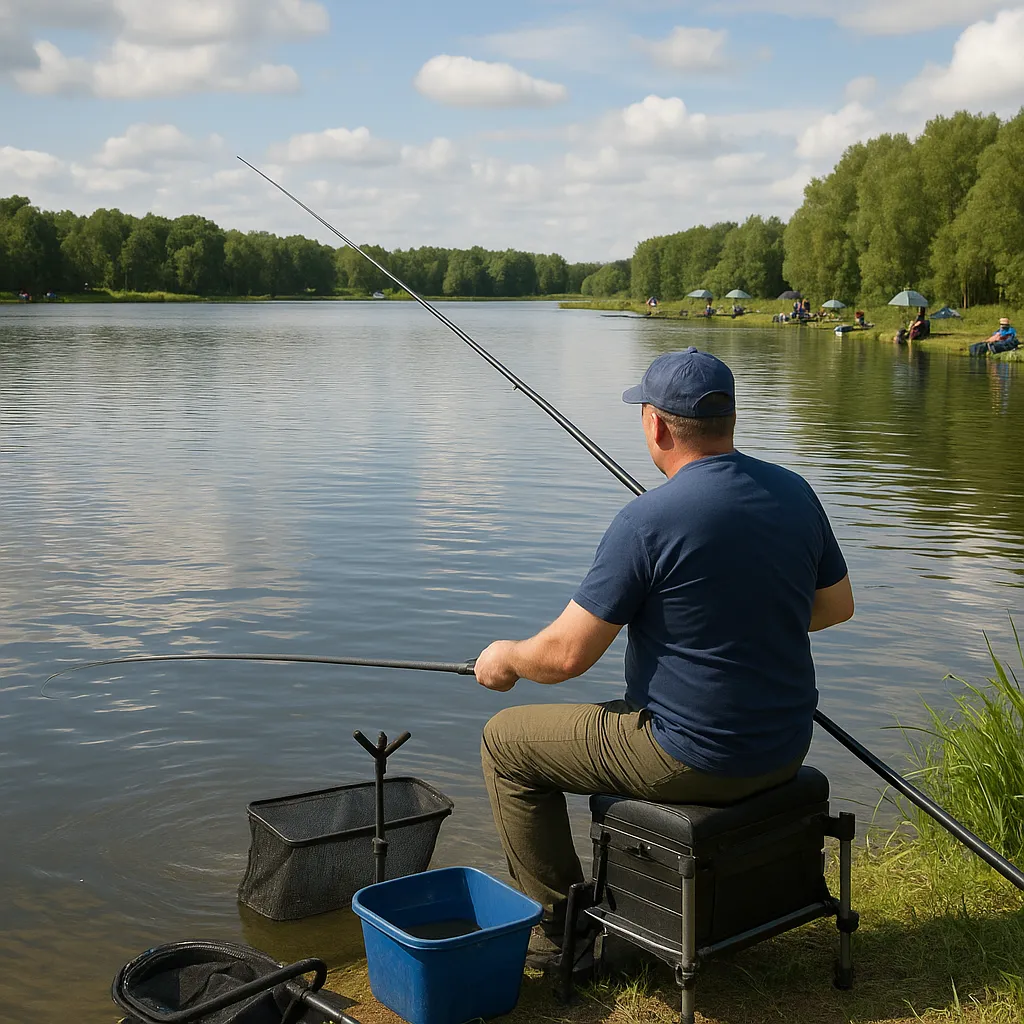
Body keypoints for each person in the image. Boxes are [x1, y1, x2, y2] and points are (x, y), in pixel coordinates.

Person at [474, 348, 855, 969]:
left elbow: (567, 655)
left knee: (506, 743)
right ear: (729, 418)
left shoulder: (647, 520)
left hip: (690, 755)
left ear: (655, 425)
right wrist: (743, 621)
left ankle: (560, 934)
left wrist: (507, 657)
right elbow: (836, 605)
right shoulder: (795, 492)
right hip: (786, 746)